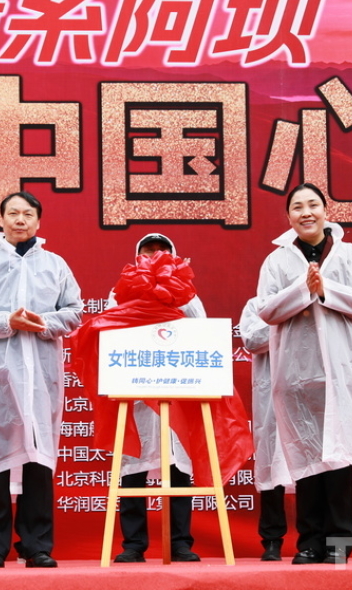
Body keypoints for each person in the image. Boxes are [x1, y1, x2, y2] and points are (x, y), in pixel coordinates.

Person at [0, 191, 83, 569]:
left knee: (38, 456)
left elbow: (74, 312)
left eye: (28, 214)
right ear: (1, 218)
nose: (20, 220)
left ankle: (36, 545)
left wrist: (43, 322)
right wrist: (6, 322)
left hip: (41, 374)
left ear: (38, 221)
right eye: (13, 213)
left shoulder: (55, 264)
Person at [254, 183, 352, 565]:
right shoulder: (276, 260)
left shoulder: (351, 254)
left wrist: (325, 289)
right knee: (305, 459)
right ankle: (309, 542)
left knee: (338, 458)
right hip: (296, 375)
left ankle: (338, 543)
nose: (306, 213)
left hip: (340, 372)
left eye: (312, 205)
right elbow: (266, 310)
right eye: (297, 207)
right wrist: (303, 289)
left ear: (326, 210)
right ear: (288, 216)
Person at [110, 234, 203, 564]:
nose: (155, 255)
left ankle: (180, 543)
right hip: (136, 393)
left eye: (162, 251)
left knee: (178, 468)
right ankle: (133, 544)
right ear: (137, 256)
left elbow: (202, 333)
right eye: (148, 251)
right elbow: (109, 332)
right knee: (132, 467)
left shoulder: (186, 291)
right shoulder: (121, 290)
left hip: (176, 392)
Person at [238, 297, 292, 562]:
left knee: (317, 469)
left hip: (312, 391)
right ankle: (272, 540)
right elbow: (252, 340)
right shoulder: (257, 305)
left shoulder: (319, 299)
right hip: (273, 394)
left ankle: (316, 539)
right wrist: (286, 313)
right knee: (273, 466)